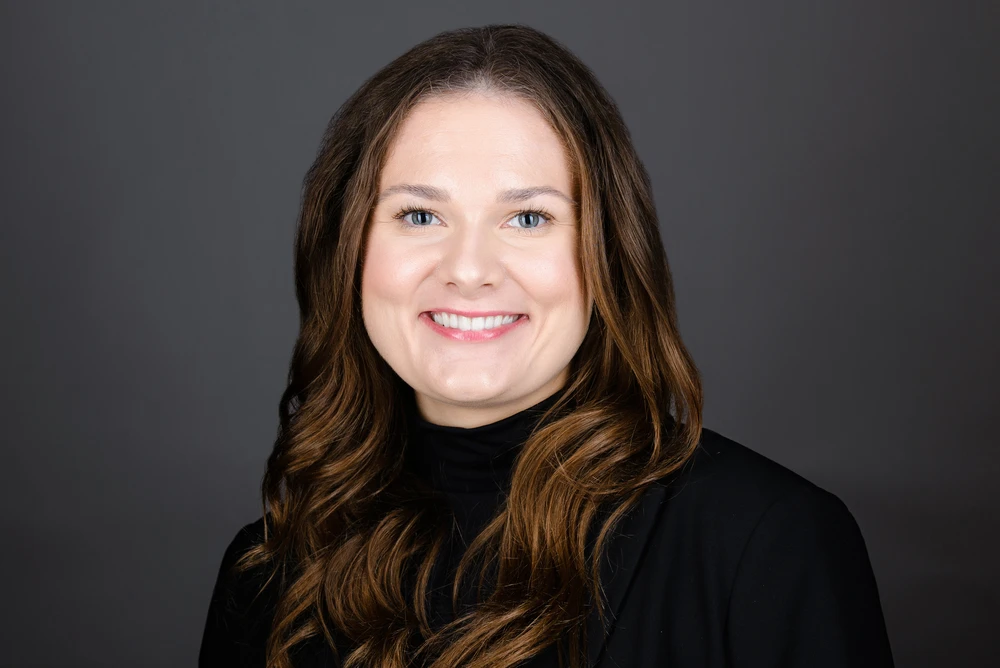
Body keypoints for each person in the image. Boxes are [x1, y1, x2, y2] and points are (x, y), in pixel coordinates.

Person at [198, 24, 895, 668]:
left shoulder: (766, 541)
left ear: (606, 254)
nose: (469, 268)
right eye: (420, 214)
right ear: (346, 247)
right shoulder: (268, 575)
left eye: (528, 218)